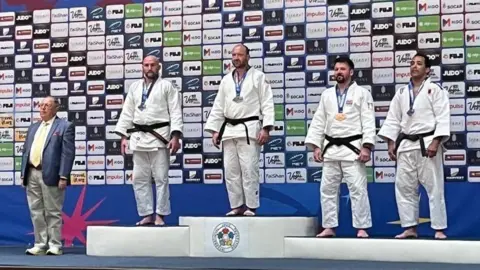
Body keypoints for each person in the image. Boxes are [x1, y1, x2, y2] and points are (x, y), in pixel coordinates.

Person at [378, 53, 450, 240]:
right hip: (406, 145)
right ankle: (409, 227)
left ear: (427, 70)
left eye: (419, 64)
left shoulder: (435, 89)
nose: (414, 66)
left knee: (434, 187)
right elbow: (393, 119)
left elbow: (443, 117)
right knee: (404, 187)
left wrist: (436, 141)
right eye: (412, 63)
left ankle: (439, 228)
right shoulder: (402, 93)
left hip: (427, 144)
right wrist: (390, 142)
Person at [305, 57, 376, 238]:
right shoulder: (327, 95)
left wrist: (367, 146)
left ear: (351, 72)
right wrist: (315, 146)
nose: (338, 72)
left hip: (353, 149)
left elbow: (368, 121)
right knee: (327, 190)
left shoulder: (362, 93)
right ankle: (329, 226)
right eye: (336, 69)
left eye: (342, 69)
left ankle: (362, 227)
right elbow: (319, 121)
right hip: (330, 149)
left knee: (358, 190)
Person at [204, 44, 274, 216]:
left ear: (248, 56)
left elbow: (267, 103)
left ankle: (251, 206)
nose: (236, 58)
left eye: (240, 54)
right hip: (228, 130)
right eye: (234, 55)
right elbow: (218, 106)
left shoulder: (258, 77)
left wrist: (266, 128)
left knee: (249, 169)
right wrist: (215, 131)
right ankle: (236, 205)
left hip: (249, 129)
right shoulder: (226, 80)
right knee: (231, 171)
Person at [115, 56, 182, 226]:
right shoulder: (135, 87)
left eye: (153, 65)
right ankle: (146, 214)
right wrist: (124, 136)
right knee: (139, 178)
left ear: (159, 67)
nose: (149, 67)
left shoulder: (167, 86)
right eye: (146, 65)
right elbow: (127, 112)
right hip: (138, 137)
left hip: (159, 137)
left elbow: (175, 112)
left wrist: (175, 136)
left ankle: (160, 214)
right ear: (142, 67)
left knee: (161, 178)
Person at [20, 96, 75, 256]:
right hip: (32, 173)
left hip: (52, 174)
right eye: (41, 105)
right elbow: (25, 152)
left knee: (53, 211)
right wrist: (24, 174)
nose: (42, 108)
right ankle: (40, 244)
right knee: (35, 211)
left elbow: (68, 153)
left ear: (56, 108)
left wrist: (64, 176)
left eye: (47, 105)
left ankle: (55, 244)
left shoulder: (65, 126)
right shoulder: (33, 127)